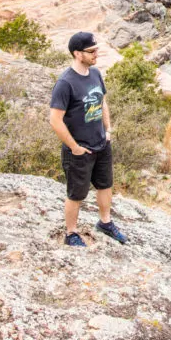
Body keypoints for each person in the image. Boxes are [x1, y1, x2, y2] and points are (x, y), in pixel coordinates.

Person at [49, 31, 128, 246]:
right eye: (91, 51)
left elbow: (102, 101)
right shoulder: (65, 83)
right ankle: (71, 233)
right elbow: (55, 120)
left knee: (105, 185)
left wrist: (108, 130)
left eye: (96, 50)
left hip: (101, 143)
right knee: (76, 193)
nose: (96, 54)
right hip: (79, 149)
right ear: (77, 53)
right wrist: (74, 147)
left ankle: (105, 222)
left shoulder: (95, 74)